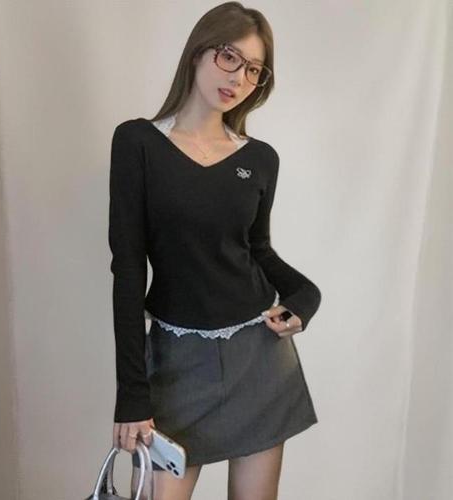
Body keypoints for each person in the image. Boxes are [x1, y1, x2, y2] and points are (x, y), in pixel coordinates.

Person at [108, 2, 322, 499]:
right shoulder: (137, 142)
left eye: (254, 70)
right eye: (230, 57)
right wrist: (132, 395)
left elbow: (257, 249)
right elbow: (128, 271)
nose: (239, 78)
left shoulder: (260, 159)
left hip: (258, 359)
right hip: (176, 362)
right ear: (198, 52)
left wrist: (305, 297)